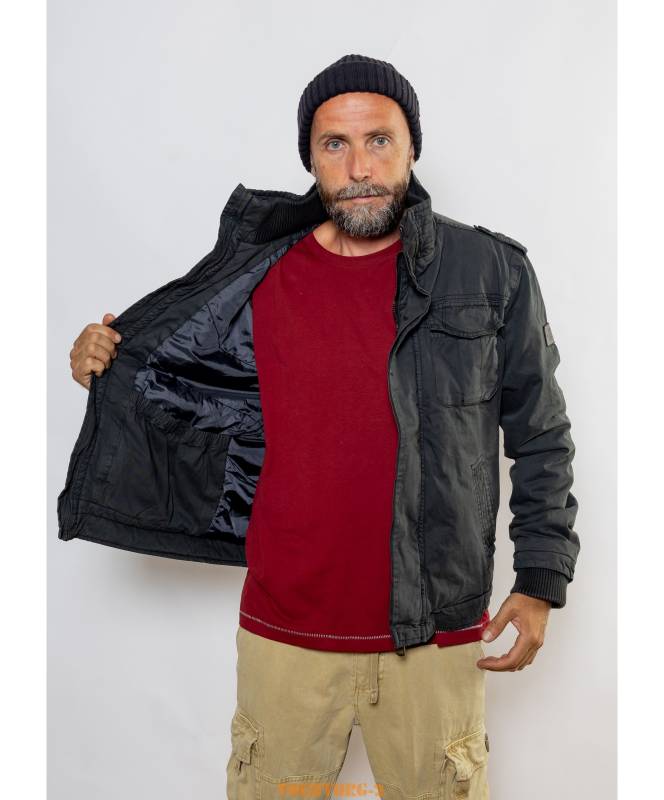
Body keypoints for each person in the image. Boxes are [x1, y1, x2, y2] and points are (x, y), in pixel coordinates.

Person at [65, 54, 580, 799]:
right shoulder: (259, 275)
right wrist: (104, 361)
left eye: (380, 140)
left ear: (412, 147)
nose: (360, 166)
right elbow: (179, 389)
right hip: (284, 635)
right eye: (335, 144)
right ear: (310, 157)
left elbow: (541, 434)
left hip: (436, 634)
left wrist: (541, 578)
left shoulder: (489, 271)